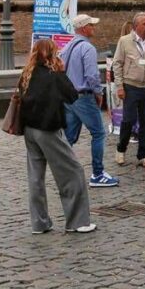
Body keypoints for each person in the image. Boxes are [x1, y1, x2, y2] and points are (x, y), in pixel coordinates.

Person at [18, 39, 96, 234]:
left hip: (29, 129)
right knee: (72, 171)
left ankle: (39, 223)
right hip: (48, 129)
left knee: (35, 177)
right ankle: (78, 222)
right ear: (53, 54)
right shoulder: (55, 75)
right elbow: (72, 95)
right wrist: (61, 71)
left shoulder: (27, 74)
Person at [61, 14, 118, 188]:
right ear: (84, 28)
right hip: (83, 96)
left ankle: (63, 172)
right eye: (91, 25)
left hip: (68, 96)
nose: (94, 28)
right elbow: (92, 75)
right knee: (98, 133)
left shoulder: (67, 46)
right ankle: (98, 174)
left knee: (69, 136)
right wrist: (99, 93)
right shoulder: (87, 48)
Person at [112, 12, 145, 168]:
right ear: (136, 26)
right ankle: (121, 150)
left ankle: (143, 155)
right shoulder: (124, 41)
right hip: (131, 86)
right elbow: (117, 64)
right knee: (128, 120)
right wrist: (120, 86)